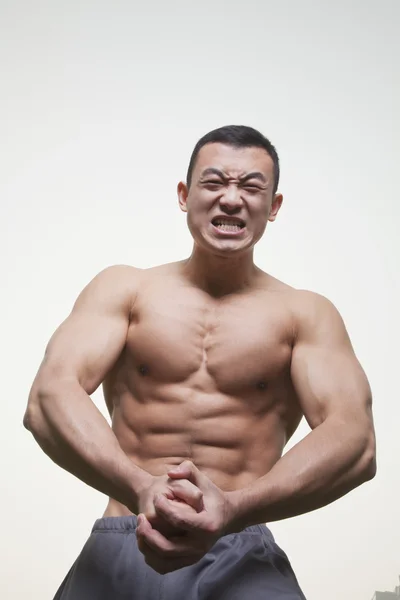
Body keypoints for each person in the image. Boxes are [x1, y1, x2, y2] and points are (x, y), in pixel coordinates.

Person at [24, 125, 377, 600]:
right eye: (214, 184)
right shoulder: (126, 290)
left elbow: (354, 441)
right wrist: (140, 489)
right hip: (125, 533)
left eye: (251, 187)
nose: (231, 199)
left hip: (240, 547)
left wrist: (232, 509)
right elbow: (49, 397)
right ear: (185, 195)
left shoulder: (306, 314)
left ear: (273, 207)